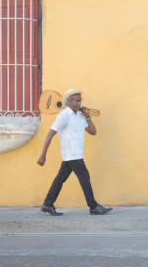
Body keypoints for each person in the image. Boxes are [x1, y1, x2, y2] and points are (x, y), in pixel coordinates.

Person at [37, 88, 112, 216]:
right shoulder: (64, 115)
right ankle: (93, 206)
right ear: (69, 101)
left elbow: (93, 132)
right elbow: (50, 134)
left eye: (80, 101)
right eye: (77, 101)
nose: (79, 103)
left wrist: (88, 117)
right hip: (72, 154)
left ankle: (48, 204)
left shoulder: (79, 116)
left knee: (60, 179)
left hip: (73, 155)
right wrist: (43, 155)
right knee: (85, 178)